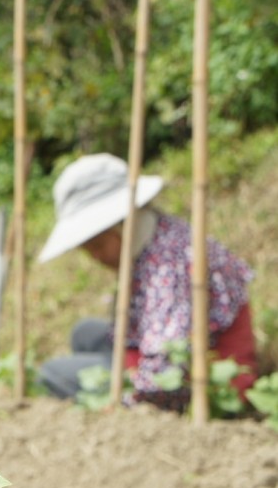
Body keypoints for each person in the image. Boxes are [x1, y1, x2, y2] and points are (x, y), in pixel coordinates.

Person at [37, 153, 257, 411]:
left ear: (122, 227)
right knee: (85, 334)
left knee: (53, 374)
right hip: (159, 354)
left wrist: (122, 400)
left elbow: (164, 374)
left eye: (97, 245)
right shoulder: (159, 235)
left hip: (202, 381)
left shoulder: (169, 265)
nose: (95, 258)